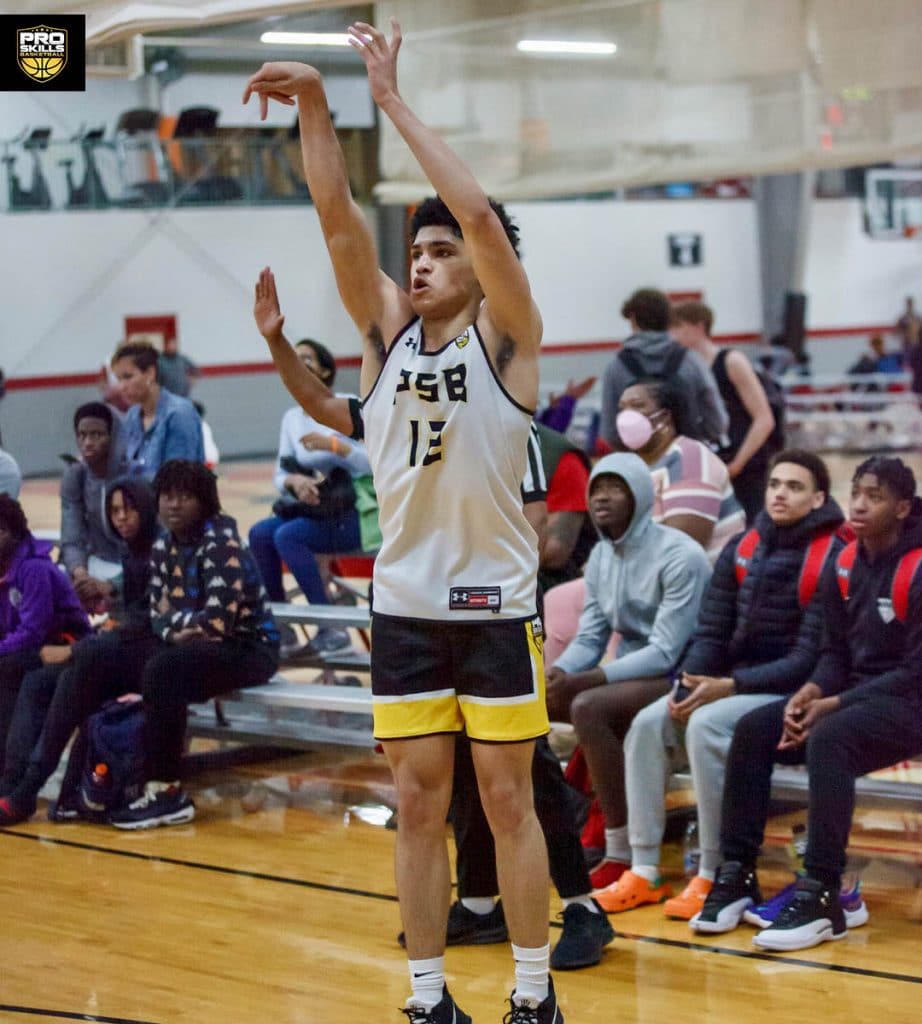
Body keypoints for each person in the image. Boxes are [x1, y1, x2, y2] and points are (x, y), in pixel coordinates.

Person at [244, 18, 560, 1021]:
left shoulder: (508, 339)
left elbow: (474, 209)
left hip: (495, 607)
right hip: (410, 608)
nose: (419, 263)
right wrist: (316, 107)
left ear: (476, 262)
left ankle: (531, 993)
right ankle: (427, 999)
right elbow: (336, 214)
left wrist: (391, 103)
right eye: (413, 251)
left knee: (506, 804)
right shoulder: (387, 343)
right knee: (419, 806)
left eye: (438, 250)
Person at [598, 451, 845, 917]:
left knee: (706, 726)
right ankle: (644, 868)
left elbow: (809, 659)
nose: (780, 493)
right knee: (649, 724)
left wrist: (729, 686)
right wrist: (687, 682)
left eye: (794, 486)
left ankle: (713, 871)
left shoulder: (831, 555)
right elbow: (710, 631)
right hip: (732, 683)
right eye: (774, 483)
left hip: (787, 691)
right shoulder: (744, 546)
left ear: (818, 499)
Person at [692, 456, 922, 952]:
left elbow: (914, 672)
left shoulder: (918, 566)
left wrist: (834, 704)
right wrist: (810, 692)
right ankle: (736, 873)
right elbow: (834, 653)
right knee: (756, 728)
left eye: (874, 497)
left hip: (911, 703)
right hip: (857, 696)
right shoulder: (844, 562)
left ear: (903, 508)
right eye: (856, 493)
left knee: (832, 737)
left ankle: (823, 894)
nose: (859, 505)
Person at [544, 454, 711, 895]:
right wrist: (559, 671)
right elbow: (591, 636)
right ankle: (557, 826)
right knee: (535, 699)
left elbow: (665, 651)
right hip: (631, 673)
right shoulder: (601, 555)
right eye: (597, 489)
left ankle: (617, 851)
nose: (602, 498)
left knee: (588, 706)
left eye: (615, 488)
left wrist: (590, 679)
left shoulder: (681, 556)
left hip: (684, 672)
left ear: (640, 496)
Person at [0, 477, 159, 823]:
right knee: (37, 682)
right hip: (112, 650)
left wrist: (82, 647)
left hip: (143, 658)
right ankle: (17, 784)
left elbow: (151, 626)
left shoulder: (160, 553)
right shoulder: (132, 555)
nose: (122, 517)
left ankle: (25, 789)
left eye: (129, 509)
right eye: (115, 510)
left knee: (53, 671)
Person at [248, 337, 372, 657]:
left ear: (325, 370)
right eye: (295, 357)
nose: (299, 363)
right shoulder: (292, 418)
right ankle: (279, 626)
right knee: (260, 534)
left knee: (289, 536)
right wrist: (295, 481)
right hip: (318, 508)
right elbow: (280, 473)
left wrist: (335, 447)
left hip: (357, 511)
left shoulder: (348, 404)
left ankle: (332, 629)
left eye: (307, 358)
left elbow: (375, 462)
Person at [0, 495, 90, 764]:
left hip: (66, 646)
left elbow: (33, 632)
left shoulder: (33, 569)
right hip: (25, 648)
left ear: (15, 533)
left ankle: (9, 766)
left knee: (6, 670)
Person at [670, 302, 777, 523]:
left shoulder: (731, 361)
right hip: (710, 466)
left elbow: (764, 419)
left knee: (753, 528)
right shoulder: (683, 369)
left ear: (699, 326)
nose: (672, 334)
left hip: (745, 465)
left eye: (678, 327)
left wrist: (738, 463)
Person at [599, 287, 727, 448]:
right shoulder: (691, 361)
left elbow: (610, 432)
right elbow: (717, 421)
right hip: (687, 459)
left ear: (633, 319)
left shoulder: (617, 367)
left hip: (640, 462)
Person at [60, 401, 127, 612]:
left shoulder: (134, 476)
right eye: (82, 435)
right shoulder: (76, 475)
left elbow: (150, 549)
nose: (87, 442)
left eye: (97, 435)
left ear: (114, 436)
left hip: (133, 570)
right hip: (95, 566)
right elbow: (71, 537)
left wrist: (112, 585)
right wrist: (81, 575)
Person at [112, 340, 204, 479]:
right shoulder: (132, 415)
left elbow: (179, 480)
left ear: (150, 373)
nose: (121, 387)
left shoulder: (179, 414)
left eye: (128, 377)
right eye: (119, 379)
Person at [157, 330, 200, 398]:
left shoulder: (182, 359)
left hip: (184, 396)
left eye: (175, 344)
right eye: (171, 344)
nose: (173, 346)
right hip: (168, 397)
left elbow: (196, 370)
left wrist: (192, 380)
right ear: (166, 345)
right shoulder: (160, 361)